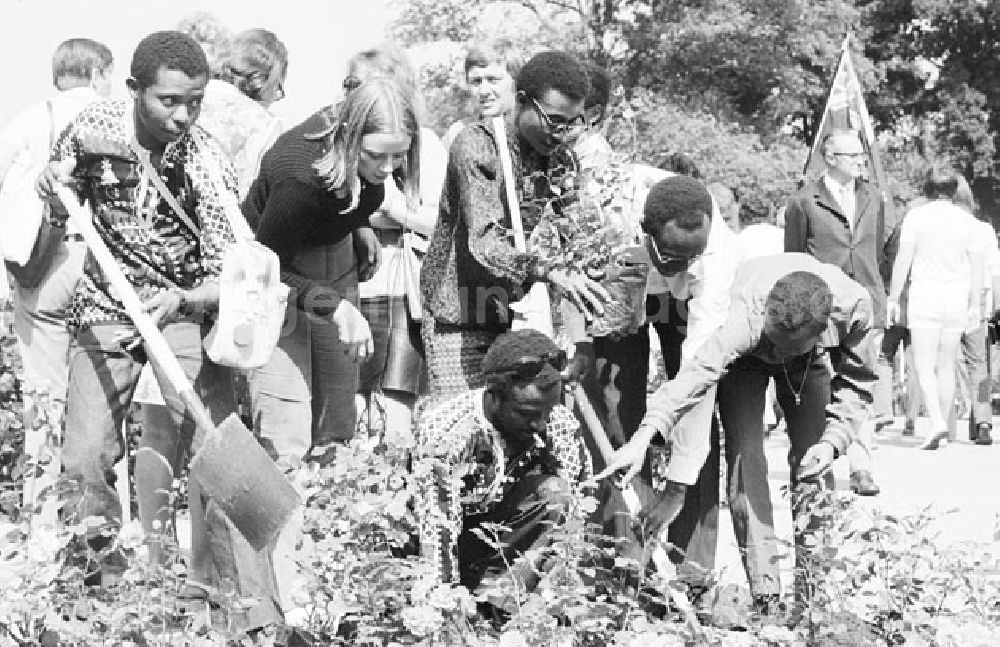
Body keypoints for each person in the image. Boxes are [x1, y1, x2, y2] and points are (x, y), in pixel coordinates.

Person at [35, 31, 280, 628]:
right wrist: (52, 187)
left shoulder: (205, 161)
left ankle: (250, 614)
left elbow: (237, 276)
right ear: (133, 91)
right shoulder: (92, 128)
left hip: (185, 306)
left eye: (194, 101)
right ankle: (96, 600)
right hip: (106, 303)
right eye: (169, 101)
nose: (182, 115)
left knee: (217, 451)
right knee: (86, 456)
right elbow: (64, 191)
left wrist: (185, 299)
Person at [599, 253, 878, 608]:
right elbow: (695, 375)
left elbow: (857, 383)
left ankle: (814, 596)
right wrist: (643, 438)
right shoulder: (744, 319)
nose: (779, 353)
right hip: (748, 362)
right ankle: (767, 593)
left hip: (811, 364)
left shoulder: (854, 309)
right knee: (747, 462)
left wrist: (834, 441)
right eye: (775, 342)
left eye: (786, 348)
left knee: (815, 466)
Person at [132, 23, 289, 581]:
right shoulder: (259, 128)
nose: (183, 115)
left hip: (168, 295)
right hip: (211, 302)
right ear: (268, 79)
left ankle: (157, 564)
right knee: (215, 440)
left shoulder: (185, 112)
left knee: (162, 434)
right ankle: (213, 577)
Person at [245, 77, 418, 462]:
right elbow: (268, 269)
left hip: (331, 255)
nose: (388, 169)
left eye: (398, 156)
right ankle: (289, 511)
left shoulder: (373, 163)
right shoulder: (299, 177)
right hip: (273, 271)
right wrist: (334, 307)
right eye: (375, 156)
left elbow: (349, 187)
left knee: (338, 414)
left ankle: (333, 507)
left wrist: (358, 223)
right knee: (286, 420)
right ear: (348, 136)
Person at [420, 50, 609, 399]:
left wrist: (581, 341)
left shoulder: (560, 159)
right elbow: (485, 244)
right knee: (462, 430)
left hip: (508, 312)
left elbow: (575, 250)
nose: (563, 134)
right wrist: (550, 271)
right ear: (522, 102)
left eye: (573, 122)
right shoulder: (477, 145)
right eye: (554, 121)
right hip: (455, 316)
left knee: (513, 431)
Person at [580, 175, 738, 579]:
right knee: (618, 414)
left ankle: (690, 572)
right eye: (673, 256)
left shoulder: (719, 258)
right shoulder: (609, 207)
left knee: (695, 422)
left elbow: (698, 375)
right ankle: (624, 560)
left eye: (692, 258)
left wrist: (678, 484)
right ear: (644, 230)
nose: (683, 266)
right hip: (620, 280)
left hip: (685, 307)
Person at [0, 37, 113, 527]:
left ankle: (43, 525)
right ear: (98, 74)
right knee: (105, 396)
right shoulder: (114, 119)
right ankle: (100, 524)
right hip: (101, 265)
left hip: (42, 265)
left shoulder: (28, 120)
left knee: (43, 397)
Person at [414, 329, 589, 600]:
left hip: (502, 542)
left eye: (548, 411)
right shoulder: (447, 430)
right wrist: (444, 600)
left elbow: (577, 508)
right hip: (438, 542)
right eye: (527, 414)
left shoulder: (560, 424)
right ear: (494, 396)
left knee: (557, 493)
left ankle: (503, 605)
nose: (540, 424)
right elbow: (435, 527)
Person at [784, 128, 896, 496]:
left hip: (865, 302)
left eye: (861, 155)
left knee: (860, 383)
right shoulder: (803, 202)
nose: (860, 162)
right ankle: (823, 463)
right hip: (824, 307)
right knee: (825, 386)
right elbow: (795, 257)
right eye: (852, 156)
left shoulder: (874, 197)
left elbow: (879, 251)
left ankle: (863, 468)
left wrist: (882, 296)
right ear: (830, 158)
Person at [344, 44, 447, 436]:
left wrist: (395, 209)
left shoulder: (426, 143)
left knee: (397, 398)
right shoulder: (345, 142)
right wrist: (361, 221)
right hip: (357, 287)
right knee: (353, 399)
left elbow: (441, 221)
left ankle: (398, 487)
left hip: (406, 292)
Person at [888, 166, 983, 450]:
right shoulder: (968, 222)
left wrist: (893, 297)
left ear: (927, 189)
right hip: (956, 295)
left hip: (925, 293)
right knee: (946, 364)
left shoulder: (917, 217)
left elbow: (903, 259)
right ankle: (945, 423)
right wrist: (975, 303)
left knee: (923, 364)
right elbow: (977, 265)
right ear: (954, 190)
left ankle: (936, 421)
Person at [441, 39, 524, 152]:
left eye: (493, 80)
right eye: (476, 81)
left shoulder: (533, 132)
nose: (484, 91)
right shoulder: (458, 133)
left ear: (516, 81)